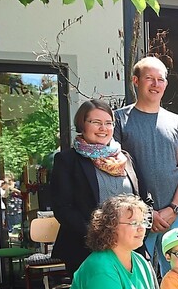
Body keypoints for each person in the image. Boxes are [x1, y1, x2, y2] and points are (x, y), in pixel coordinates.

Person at [114, 56, 178, 276]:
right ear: (136, 81)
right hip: (135, 218)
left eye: (160, 79)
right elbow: (116, 173)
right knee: (137, 277)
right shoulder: (119, 121)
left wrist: (174, 209)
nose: (156, 84)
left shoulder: (177, 122)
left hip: (176, 215)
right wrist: (147, 213)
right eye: (149, 78)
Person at [52, 99, 148, 275]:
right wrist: (100, 236)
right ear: (82, 124)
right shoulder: (67, 160)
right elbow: (63, 208)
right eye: (96, 122)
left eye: (108, 123)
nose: (103, 128)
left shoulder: (125, 158)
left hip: (129, 249)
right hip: (85, 249)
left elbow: (143, 198)